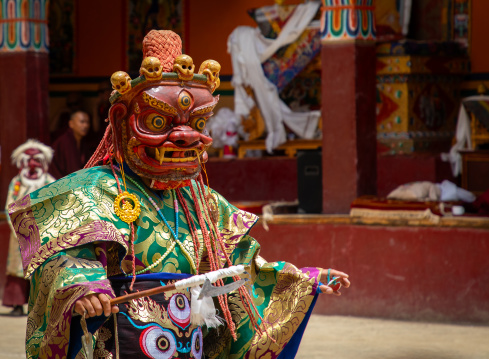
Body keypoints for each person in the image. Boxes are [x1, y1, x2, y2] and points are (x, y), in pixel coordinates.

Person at [8, 30, 350, 358]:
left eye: (198, 124)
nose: (185, 137)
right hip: (120, 343)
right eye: (159, 123)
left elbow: (242, 271)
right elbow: (62, 260)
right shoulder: (94, 189)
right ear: (122, 119)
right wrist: (82, 288)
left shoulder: (201, 201)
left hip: (191, 344)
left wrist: (306, 280)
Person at [3, 139, 55, 316]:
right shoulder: (17, 182)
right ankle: (17, 304)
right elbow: (9, 204)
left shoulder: (49, 181)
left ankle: (40, 306)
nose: (32, 165)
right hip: (18, 232)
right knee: (17, 269)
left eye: (36, 161)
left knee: (40, 268)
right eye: (28, 161)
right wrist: (16, 227)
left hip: (42, 231)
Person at [50, 110, 94, 178]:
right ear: (71, 124)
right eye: (82, 122)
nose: (85, 125)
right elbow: (72, 170)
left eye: (87, 122)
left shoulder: (82, 142)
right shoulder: (65, 141)